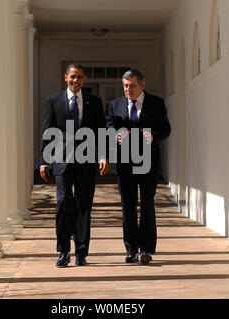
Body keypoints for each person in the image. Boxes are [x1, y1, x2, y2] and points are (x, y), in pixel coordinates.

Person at [39, 64, 109, 267]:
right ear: (65, 78)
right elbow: (47, 130)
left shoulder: (94, 102)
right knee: (63, 203)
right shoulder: (53, 101)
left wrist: (103, 156)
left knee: (84, 206)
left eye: (79, 77)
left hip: (86, 161)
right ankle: (63, 251)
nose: (75, 81)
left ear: (84, 79)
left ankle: (81, 252)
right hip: (62, 161)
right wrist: (44, 160)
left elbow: (101, 131)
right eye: (72, 77)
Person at [107, 69, 171, 264]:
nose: (128, 90)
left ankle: (147, 249)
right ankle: (131, 250)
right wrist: (115, 135)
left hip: (148, 162)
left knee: (147, 204)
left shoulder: (156, 103)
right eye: (125, 86)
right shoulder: (115, 104)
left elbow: (166, 128)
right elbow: (109, 125)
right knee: (128, 206)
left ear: (142, 85)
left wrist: (154, 137)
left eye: (132, 86)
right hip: (124, 162)